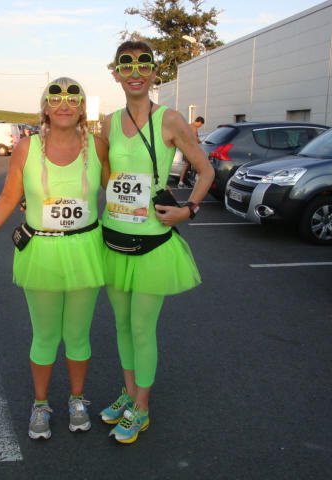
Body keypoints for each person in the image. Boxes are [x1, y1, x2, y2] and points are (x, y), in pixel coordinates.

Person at [0, 77, 109, 440]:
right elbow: (9, 196)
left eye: (73, 98)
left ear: (82, 108)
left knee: (78, 335)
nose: (64, 104)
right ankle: (41, 404)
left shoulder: (98, 147)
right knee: (45, 335)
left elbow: (118, 190)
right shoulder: (26, 148)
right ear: (45, 107)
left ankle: (77, 400)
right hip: (42, 251)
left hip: (85, 250)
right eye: (55, 98)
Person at [99, 40, 215, 444]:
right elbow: (102, 177)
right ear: (116, 73)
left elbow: (205, 171)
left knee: (141, 328)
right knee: (121, 327)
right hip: (113, 239)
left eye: (143, 64)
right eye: (126, 65)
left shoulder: (170, 119)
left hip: (152, 244)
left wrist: (189, 209)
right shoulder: (108, 123)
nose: (135, 72)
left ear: (153, 72)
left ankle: (142, 408)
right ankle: (130, 394)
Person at [178, 116, 204, 188]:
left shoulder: (188, 125)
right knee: (191, 165)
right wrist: (201, 142)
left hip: (186, 148)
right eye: (200, 125)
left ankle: (182, 182)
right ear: (199, 122)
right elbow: (195, 138)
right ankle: (189, 181)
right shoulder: (193, 127)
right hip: (189, 149)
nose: (200, 126)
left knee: (187, 165)